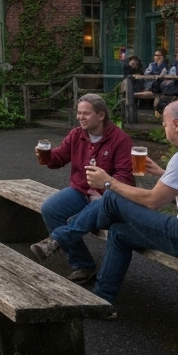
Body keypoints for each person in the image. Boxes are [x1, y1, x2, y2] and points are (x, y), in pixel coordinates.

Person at [30, 100, 178, 316]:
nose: (163, 128)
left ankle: (62, 237)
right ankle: (101, 299)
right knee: (118, 232)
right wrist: (164, 173)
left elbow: (153, 201)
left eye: (164, 124)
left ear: (176, 125)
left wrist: (109, 182)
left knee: (112, 197)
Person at [37, 94, 135, 283]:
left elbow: (125, 177)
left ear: (101, 115)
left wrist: (106, 184)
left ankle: (57, 239)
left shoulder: (120, 139)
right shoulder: (76, 134)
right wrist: (47, 156)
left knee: (91, 210)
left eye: (86, 113)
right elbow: (59, 158)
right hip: (80, 192)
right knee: (51, 208)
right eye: (79, 113)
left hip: (109, 197)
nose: (81, 117)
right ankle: (83, 265)